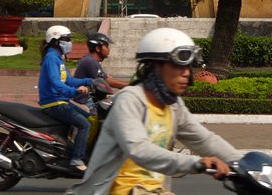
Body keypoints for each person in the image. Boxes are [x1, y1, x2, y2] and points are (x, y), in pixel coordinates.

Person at [66, 27, 240, 195]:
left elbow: (204, 139)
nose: (187, 73)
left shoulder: (173, 106)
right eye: (179, 66)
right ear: (155, 66)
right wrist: (197, 163)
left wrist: (243, 162)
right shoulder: (130, 99)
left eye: (188, 67)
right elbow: (138, 149)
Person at [38, 25, 96, 172]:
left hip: (60, 101)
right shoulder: (51, 58)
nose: (70, 42)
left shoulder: (58, 58)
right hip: (53, 103)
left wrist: (89, 81)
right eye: (66, 39)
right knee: (85, 124)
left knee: (89, 117)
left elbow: (69, 80)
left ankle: (71, 148)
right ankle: (76, 159)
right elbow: (55, 82)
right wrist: (74, 92)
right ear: (55, 41)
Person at [74, 32, 129, 109]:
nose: (108, 49)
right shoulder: (90, 62)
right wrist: (129, 85)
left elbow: (105, 78)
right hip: (85, 101)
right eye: (106, 46)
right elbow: (106, 81)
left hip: (90, 99)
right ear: (97, 48)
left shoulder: (91, 60)